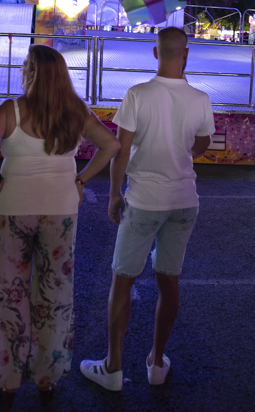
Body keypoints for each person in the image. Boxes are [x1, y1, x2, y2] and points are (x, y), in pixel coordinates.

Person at [0, 45, 120, 408]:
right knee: (55, 294)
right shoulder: (76, 111)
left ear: (31, 73)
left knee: (10, 294)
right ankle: (47, 377)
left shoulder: (12, 110)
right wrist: (81, 180)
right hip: (61, 209)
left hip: (14, 208)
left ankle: (7, 380)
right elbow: (111, 145)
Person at [80, 27, 215, 390]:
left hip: (143, 201)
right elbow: (202, 145)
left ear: (155, 53)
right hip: (184, 201)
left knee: (123, 280)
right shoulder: (200, 98)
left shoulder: (137, 94)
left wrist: (114, 194)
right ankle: (156, 362)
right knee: (169, 281)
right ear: (186, 54)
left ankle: (113, 367)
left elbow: (121, 151)